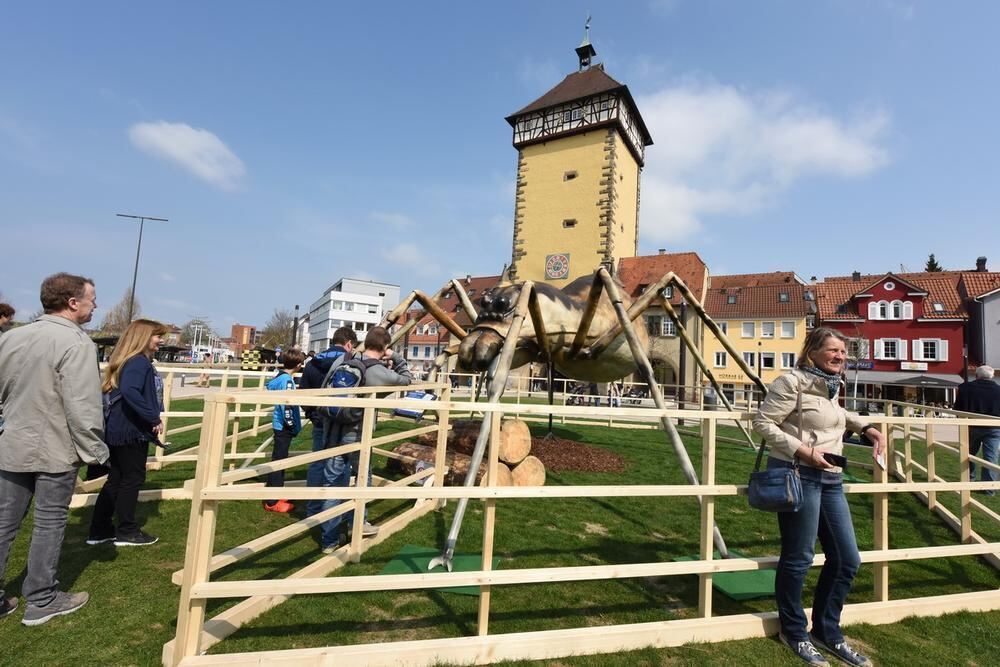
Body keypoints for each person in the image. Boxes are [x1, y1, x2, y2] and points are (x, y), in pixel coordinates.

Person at [752, 328, 886, 667]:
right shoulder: (791, 382)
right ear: (812, 351)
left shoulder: (831, 385)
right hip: (799, 474)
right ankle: (794, 632)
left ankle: (827, 631)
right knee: (799, 557)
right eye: (833, 350)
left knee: (847, 559)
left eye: (843, 351)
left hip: (831, 478)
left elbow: (835, 414)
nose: (841, 356)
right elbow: (764, 423)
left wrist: (865, 427)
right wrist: (804, 451)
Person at [0, 273, 109, 625]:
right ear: (73, 302)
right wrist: (97, 453)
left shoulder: (12, 338)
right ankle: (42, 598)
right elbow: (83, 407)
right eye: (92, 299)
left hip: (13, 442)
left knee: (3, 522)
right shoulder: (77, 344)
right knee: (48, 522)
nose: (95, 305)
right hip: (55, 448)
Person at [319, 326, 412, 552]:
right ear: (385, 347)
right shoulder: (377, 371)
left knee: (332, 484)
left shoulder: (344, 360)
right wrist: (396, 357)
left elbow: (324, 389)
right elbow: (407, 379)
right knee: (362, 479)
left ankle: (329, 541)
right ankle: (358, 524)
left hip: (332, 430)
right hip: (358, 434)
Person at [86, 319, 168, 547]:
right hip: (130, 430)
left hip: (119, 428)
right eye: (157, 336)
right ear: (143, 338)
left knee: (116, 479)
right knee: (132, 479)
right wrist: (152, 417)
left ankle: (100, 529)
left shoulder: (130, 361)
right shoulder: (139, 362)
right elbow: (131, 391)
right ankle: (127, 531)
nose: (161, 341)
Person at [299, 326, 359, 518]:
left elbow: (303, 393)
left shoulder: (312, 363)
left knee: (317, 463)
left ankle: (313, 509)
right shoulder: (350, 362)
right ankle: (334, 512)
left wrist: (312, 415)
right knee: (340, 466)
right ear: (349, 344)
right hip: (340, 424)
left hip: (318, 421)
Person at [262, 349, 305, 513]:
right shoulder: (287, 381)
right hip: (284, 426)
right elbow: (285, 405)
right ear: (298, 365)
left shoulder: (280, 377)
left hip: (279, 425)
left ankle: (276, 491)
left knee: (279, 459)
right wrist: (291, 424)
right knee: (279, 461)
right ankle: (272, 501)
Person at [954, 365, 1000, 497]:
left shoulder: (965, 388)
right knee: (991, 457)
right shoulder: (998, 390)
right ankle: (989, 488)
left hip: (971, 425)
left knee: (968, 454)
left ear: (977, 375)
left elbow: (958, 408)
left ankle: (968, 480)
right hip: (994, 427)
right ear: (992, 376)